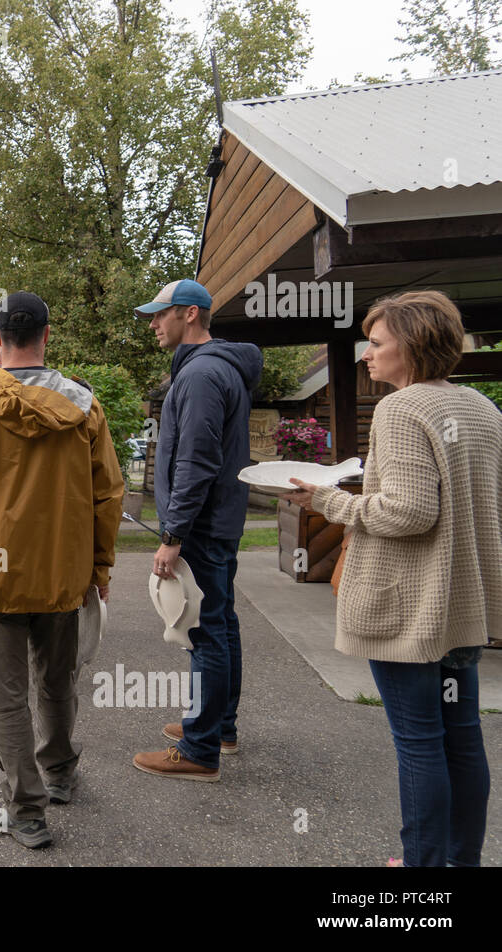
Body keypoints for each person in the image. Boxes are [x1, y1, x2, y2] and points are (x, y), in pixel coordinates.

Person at [281, 290, 499, 867]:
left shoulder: (402, 410)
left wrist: (329, 500)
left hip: (412, 604)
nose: (365, 354)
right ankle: (457, 862)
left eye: (376, 343)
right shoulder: (480, 407)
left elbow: (409, 512)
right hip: (463, 602)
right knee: (462, 738)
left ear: (415, 344)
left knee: (420, 744)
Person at [0, 291, 124, 849]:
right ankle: (60, 772)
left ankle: (26, 810)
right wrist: (100, 566)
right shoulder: (85, 406)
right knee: (56, 681)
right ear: (46, 334)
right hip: (62, 574)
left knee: (6, 696)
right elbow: (107, 495)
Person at [132, 279, 262, 782]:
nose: (152, 324)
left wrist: (173, 534)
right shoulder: (215, 368)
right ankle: (219, 728)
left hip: (202, 526)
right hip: (219, 521)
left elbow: (196, 460)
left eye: (159, 314)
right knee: (221, 625)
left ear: (189, 314)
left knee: (204, 631)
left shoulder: (203, 374)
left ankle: (200, 748)